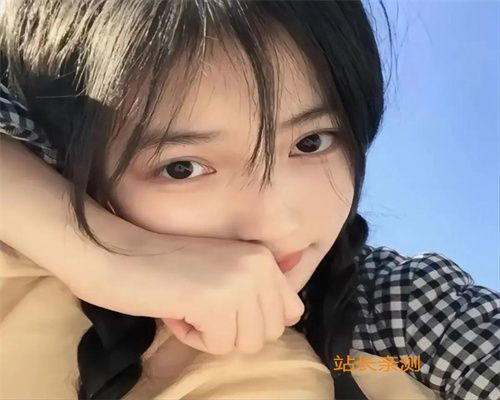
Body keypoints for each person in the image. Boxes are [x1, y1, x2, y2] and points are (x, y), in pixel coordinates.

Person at [0, 1, 498, 399]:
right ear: (72, 163)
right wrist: (96, 255)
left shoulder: (396, 306)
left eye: (311, 142)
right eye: (182, 167)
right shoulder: (25, 260)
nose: (276, 224)